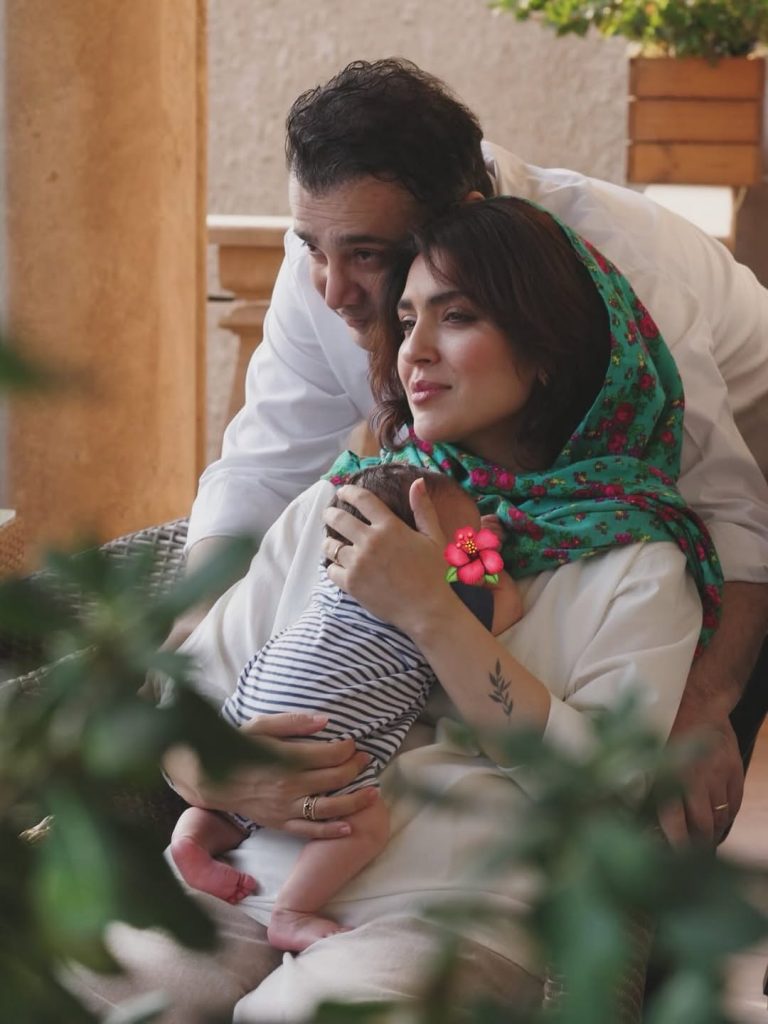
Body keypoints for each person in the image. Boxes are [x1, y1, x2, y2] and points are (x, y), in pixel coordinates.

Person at [73, 197, 720, 1023]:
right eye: (408, 319)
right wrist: (217, 774)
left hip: (444, 919)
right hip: (232, 886)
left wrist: (432, 613)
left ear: (546, 349)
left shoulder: (636, 560)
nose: (414, 349)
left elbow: (602, 789)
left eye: (458, 317)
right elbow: (186, 703)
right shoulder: (344, 503)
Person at [174, 59, 768, 850]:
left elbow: (734, 518)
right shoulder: (329, 262)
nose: (332, 291)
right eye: (311, 246)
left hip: (746, 460)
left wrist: (703, 706)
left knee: (667, 804)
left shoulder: (611, 273)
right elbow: (260, 470)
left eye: (367, 256)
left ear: (460, 225)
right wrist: (184, 645)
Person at [169, 465, 522, 952]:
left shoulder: (331, 571)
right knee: (363, 824)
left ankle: (192, 841)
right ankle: (293, 911)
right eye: (461, 536)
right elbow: (508, 605)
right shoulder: (436, 606)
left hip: (253, 708)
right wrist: (481, 552)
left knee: (230, 805)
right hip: (322, 732)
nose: (470, 540)